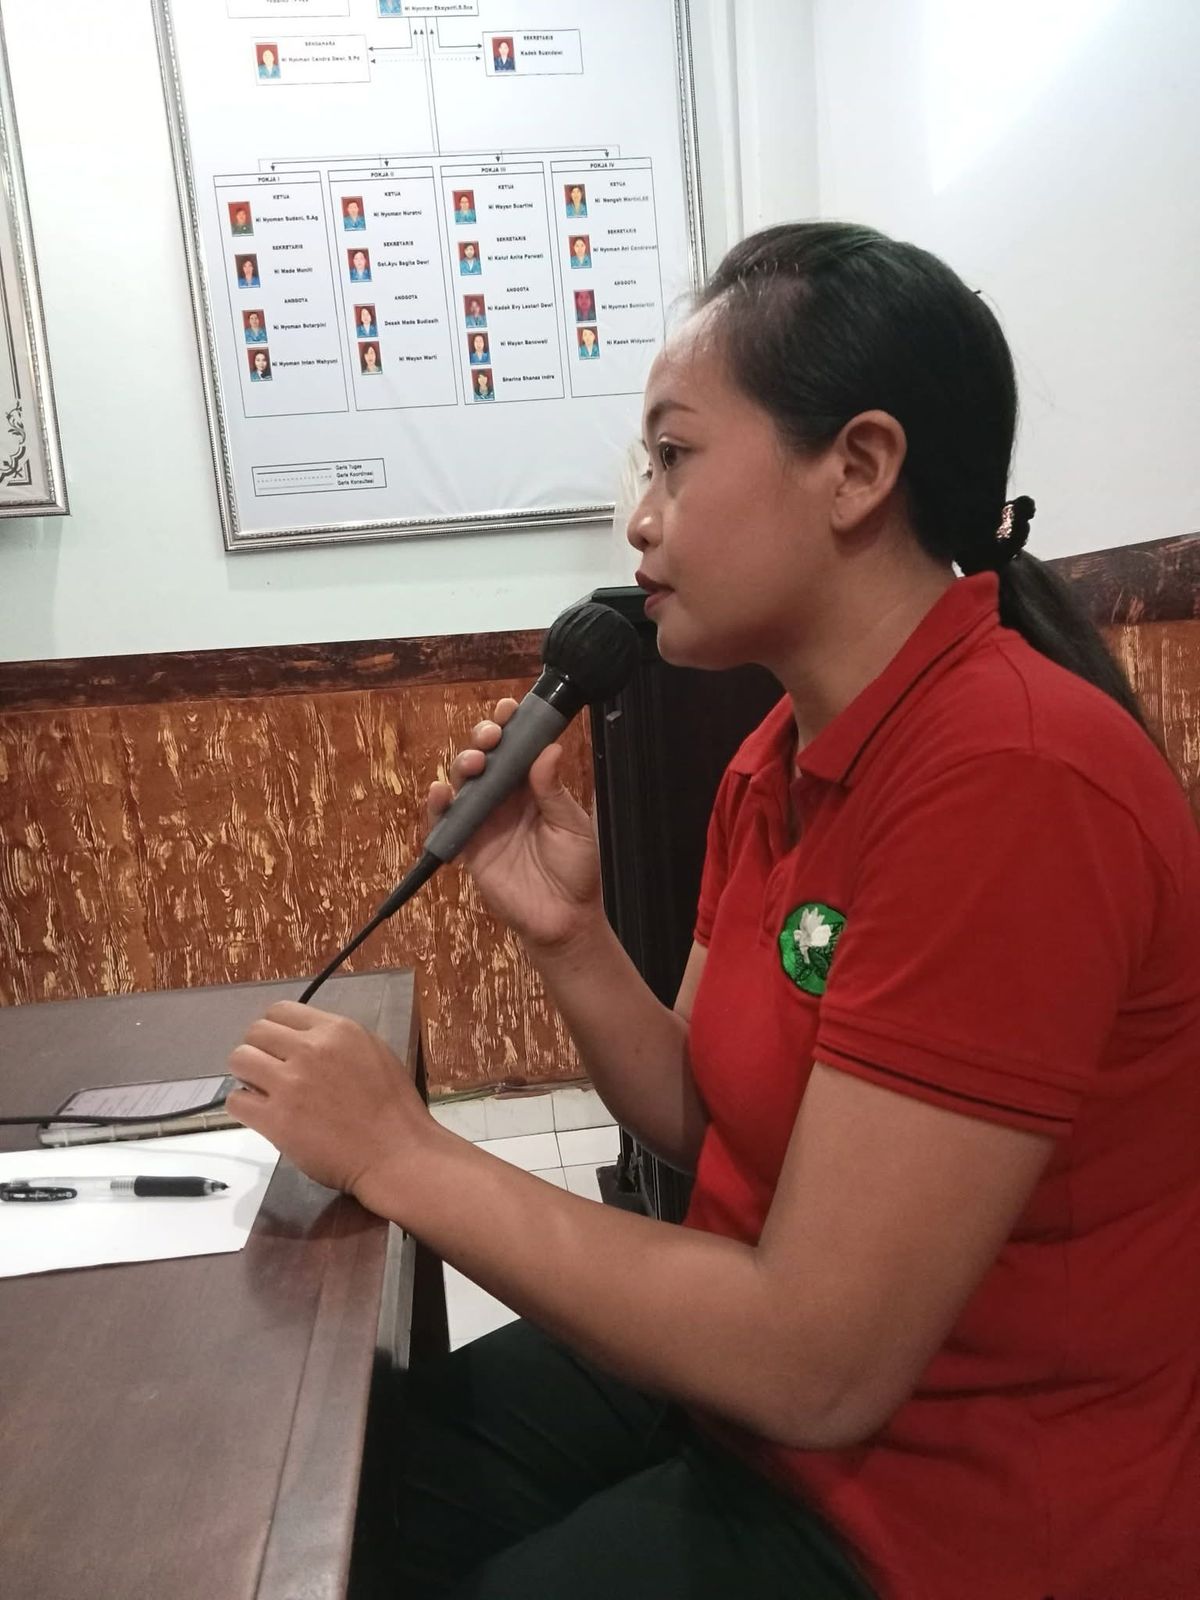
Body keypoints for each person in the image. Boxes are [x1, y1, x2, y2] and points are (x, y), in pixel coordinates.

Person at [224, 221, 1200, 1600]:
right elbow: (706, 1113)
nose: (640, 518)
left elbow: (818, 1366)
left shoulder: (1014, 782)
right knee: (361, 1490)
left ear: (857, 468)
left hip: (952, 1506)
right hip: (748, 1393)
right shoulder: (777, 754)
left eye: (675, 457)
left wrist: (403, 1153)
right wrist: (568, 935)